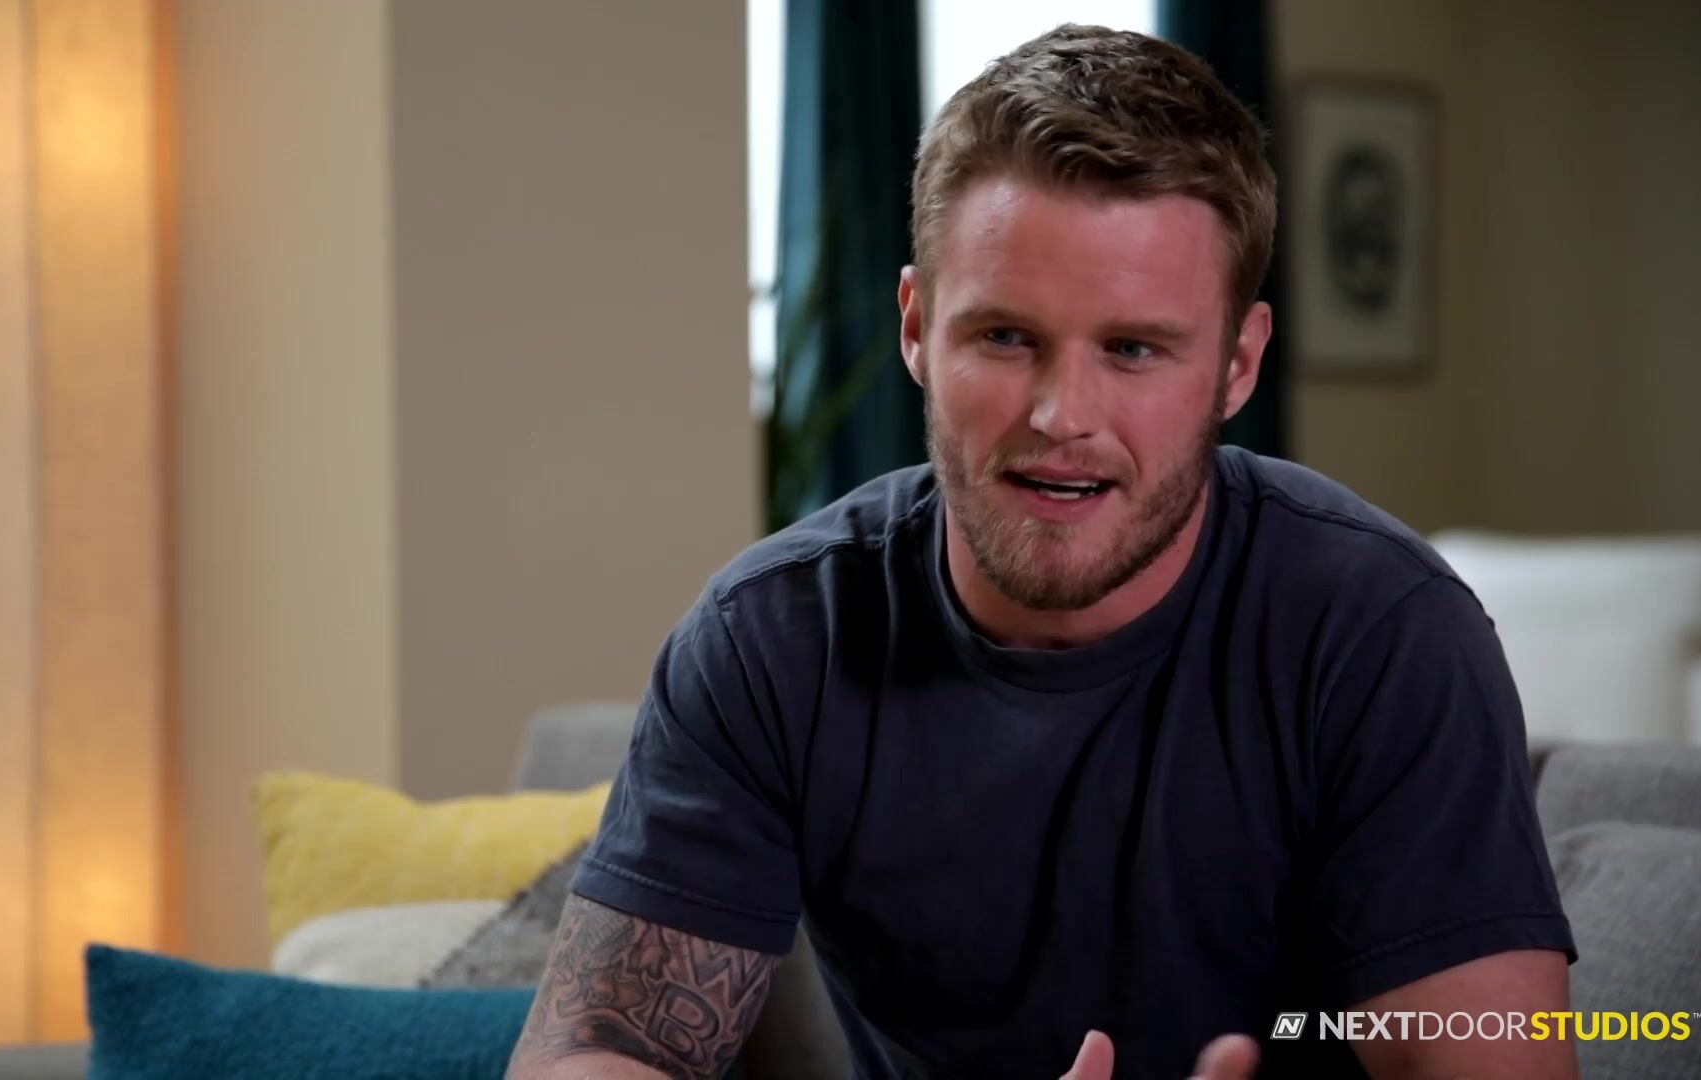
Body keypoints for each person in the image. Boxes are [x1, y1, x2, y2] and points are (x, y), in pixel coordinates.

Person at [507, 24, 1576, 1080]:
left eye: (1134, 349)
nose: (1063, 415)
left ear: (1238, 365)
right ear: (917, 327)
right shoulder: (776, 639)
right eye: (1006, 338)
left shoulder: (1380, 634)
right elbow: (600, 1051)